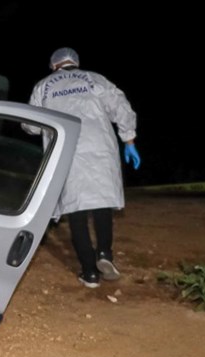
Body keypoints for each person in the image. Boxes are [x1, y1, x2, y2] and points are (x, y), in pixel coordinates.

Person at [28, 47, 140, 288]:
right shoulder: (95, 79)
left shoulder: (44, 86)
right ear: (75, 63)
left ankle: (89, 272)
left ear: (53, 65)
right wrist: (129, 140)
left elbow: (32, 126)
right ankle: (104, 255)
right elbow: (121, 107)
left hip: (66, 151)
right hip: (99, 148)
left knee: (75, 210)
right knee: (101, 204)